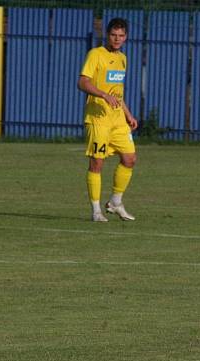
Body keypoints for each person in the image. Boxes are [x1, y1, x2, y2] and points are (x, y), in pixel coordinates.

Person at [78, 17, 138, 222]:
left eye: (121, 35)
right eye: (114, 35)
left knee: (130, 159)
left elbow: (117, 93)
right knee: (97, 163)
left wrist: (128, 114)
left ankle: (115, 202)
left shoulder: (123, 58)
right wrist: (103, 95)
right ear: (107, 34)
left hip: (118, 119)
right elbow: (83, 82)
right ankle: (96, 211)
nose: (117, 39)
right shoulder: (96, 54)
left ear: (126, 37)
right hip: (98, 118)